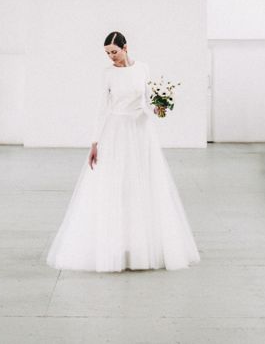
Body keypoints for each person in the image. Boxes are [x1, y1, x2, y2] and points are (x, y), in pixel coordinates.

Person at [46, 31, 201, 272]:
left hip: (140, 131)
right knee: (115, 185)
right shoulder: (107, 74)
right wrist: (94, 142)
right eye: (107, 53)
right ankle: (114, 246)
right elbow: (102, 107)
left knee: (142, 185)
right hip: (116, 131)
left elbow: (148, 100)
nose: (111, 57)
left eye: (114, 52)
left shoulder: (143, 69)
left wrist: (159, 108)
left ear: (125, 47)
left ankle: (141, 246)